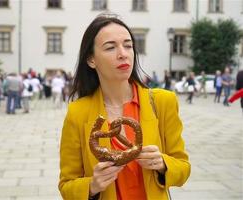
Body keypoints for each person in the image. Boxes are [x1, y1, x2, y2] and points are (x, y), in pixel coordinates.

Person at [58, 13, 190, 200]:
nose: (123, 53)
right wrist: (92, 185)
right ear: (91, 60)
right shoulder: (77, 113)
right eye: (111, 47)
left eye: (128, 45)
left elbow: (183, 167)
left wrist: (163, 164)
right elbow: (66, 185)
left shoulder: (163, 102)